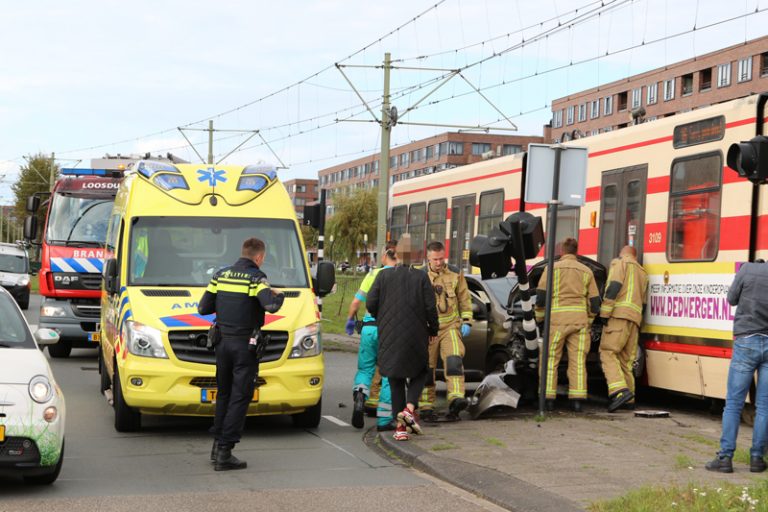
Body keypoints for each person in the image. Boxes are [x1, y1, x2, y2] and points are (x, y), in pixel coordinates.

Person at [198, 237, 285, 471]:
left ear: (242, 252)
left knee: (224, 394)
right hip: (244, 345)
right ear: (259, 257)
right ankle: (225, 452)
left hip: (222, 343)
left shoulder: (221, 275)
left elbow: (203, 308)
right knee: (240, 396)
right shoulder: (257, 278)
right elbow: (271, 306)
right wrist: (278, 294)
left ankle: (217, 447)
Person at [367, 251, 439, 441]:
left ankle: (399, 429)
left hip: (389, 335)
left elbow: (370, 302)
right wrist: (433, 329)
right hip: (416, 334)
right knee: (420, 371)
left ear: (397, 257)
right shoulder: (421, 277)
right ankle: (409, 409)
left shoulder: (383, 275)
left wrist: (380, 318)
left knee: (395, 378)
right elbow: (431, 307)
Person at [706, 261, 768, 473]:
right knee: (765, 406)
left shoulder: (747, 269)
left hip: (747, 341)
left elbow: (731, 299)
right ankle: (757, 459)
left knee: (733, 403)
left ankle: (725, 458)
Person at [535, 238, 600, 412]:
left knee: (549, 360)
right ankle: (577, 400)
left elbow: (540, 298)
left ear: (562, 251)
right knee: (578, 361)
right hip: (579, 323)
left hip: (556, 322)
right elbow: (595, 303)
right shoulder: (586, 271)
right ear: (576, 252)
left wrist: (539, 319)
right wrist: (589, 320)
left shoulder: (551, 269)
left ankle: (547, 400)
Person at [418, 241, 472, 422]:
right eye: (435, 259)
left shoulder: (456, 274)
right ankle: (426, 405)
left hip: (450, 326)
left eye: (441, 258)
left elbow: (464, 298)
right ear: (428, 258)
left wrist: (467, 321)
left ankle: (456, 398)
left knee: (454, 359)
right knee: (427, 368)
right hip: (427, 330)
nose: (439, 263)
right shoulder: (419, 275)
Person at [344, 247, 396, 431]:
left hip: (368, 328)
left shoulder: (373, 274)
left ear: (384, 257)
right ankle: (384, 420)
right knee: (390, 375)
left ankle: (360, 396)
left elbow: (357, 301)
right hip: (389, 330)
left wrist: (350, 321)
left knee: (365, 369)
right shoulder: (402, 276)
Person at [598, 245, 648, 412]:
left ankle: (618, 391)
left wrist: (604, 314)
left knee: (607, 352)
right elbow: (644, 302)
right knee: (626, 360)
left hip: (618, 316)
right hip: (635, 320)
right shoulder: (643, 273)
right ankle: (629, 398)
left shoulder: (620, 264)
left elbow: (613, 288)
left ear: (622, 253)